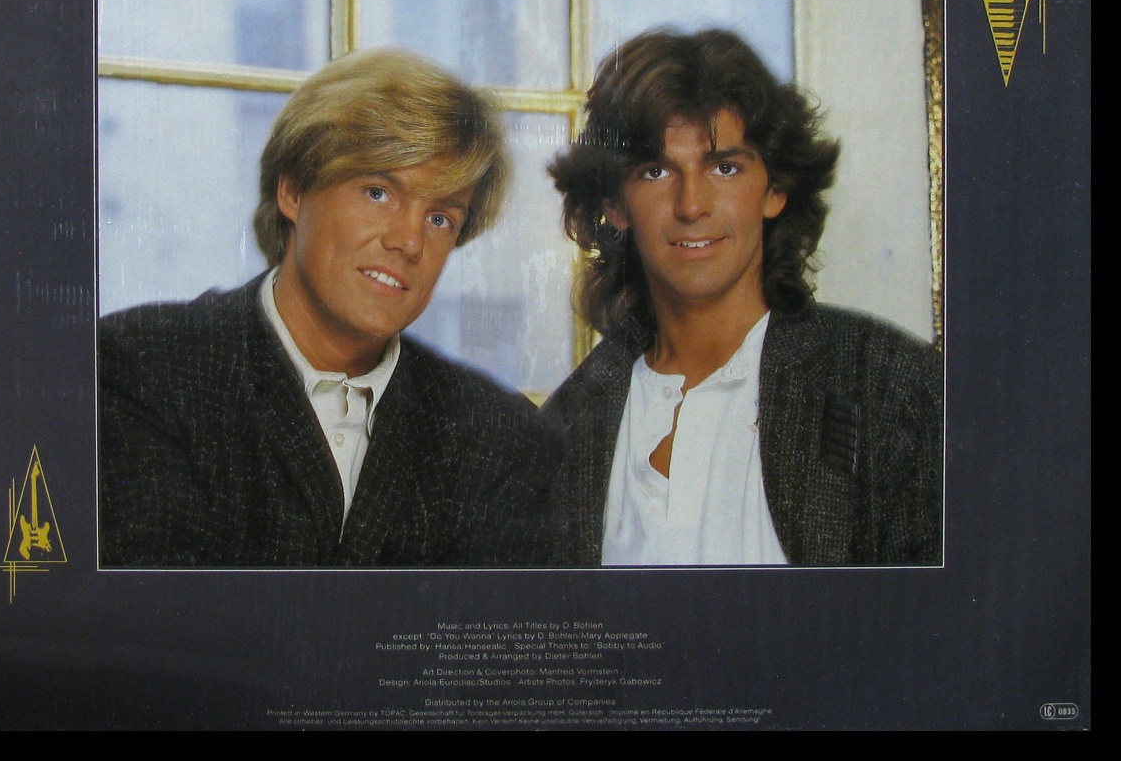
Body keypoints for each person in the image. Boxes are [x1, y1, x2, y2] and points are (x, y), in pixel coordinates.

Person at [99, 48, 552, 567]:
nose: (409, 242)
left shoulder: (498, 436)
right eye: (378, 193)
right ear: (293, 191)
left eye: (440, 219)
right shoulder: (141, 369)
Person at [544, 28, 942, 566]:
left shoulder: (892, 386)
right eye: (656, 171)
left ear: (775, 189)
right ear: (615, 205)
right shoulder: (565, 429)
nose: (692, 205)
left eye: (724, 168)